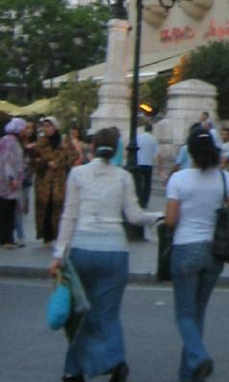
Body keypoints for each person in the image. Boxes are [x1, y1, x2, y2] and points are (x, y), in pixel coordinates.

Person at [49, 127, 161, 382]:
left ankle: (74, 369)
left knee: (79, 312)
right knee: (108, 313)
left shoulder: (77, 174)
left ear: (92, 146)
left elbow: (69, 216)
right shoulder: (123, 177)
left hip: (82, 248)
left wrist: (58, 254)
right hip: (115, 250)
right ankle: (116, 360)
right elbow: (134, 216)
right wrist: (158, 217)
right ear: (117, 149)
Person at [165, 129, 229, 382]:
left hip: (186, 247)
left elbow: (171, 220)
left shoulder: (178, 179)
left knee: (184, 315)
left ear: (190, 151)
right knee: (198, 312)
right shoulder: (224, 178)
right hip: (214, 252)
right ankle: (188, 374)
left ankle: (198, 358)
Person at [34, 116, 76, 245]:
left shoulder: (64, 141)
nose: (47, 129)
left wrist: (62, 162)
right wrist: (46, 163)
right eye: (44, 126)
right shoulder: (40, 143)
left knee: (58, 208)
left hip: (59, 181)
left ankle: (59, 235)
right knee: (45, 208)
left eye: (49, 126)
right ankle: (47, 237)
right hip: (44, 181)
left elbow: (74, 155)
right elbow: (33, 161)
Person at [0, 117, 29, 248]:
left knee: (11, 210)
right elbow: (6, 161)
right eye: (24, 128)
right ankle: (6, 239)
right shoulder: (8, 141)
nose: (26, 131)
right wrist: (11, 178)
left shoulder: (16, 142)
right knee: (6, 211)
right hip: (6, 183)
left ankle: (9, 237)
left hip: (14, 183)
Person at [134, 124, 158, 209]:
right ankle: (145, 201)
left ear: (144, 129)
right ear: (151, 130)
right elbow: (158, 153)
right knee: (147, 184)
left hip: (139, 163)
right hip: (148, 164)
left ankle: (139, 200)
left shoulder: (138, 137)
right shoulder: (153, 139)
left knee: (139, 183)